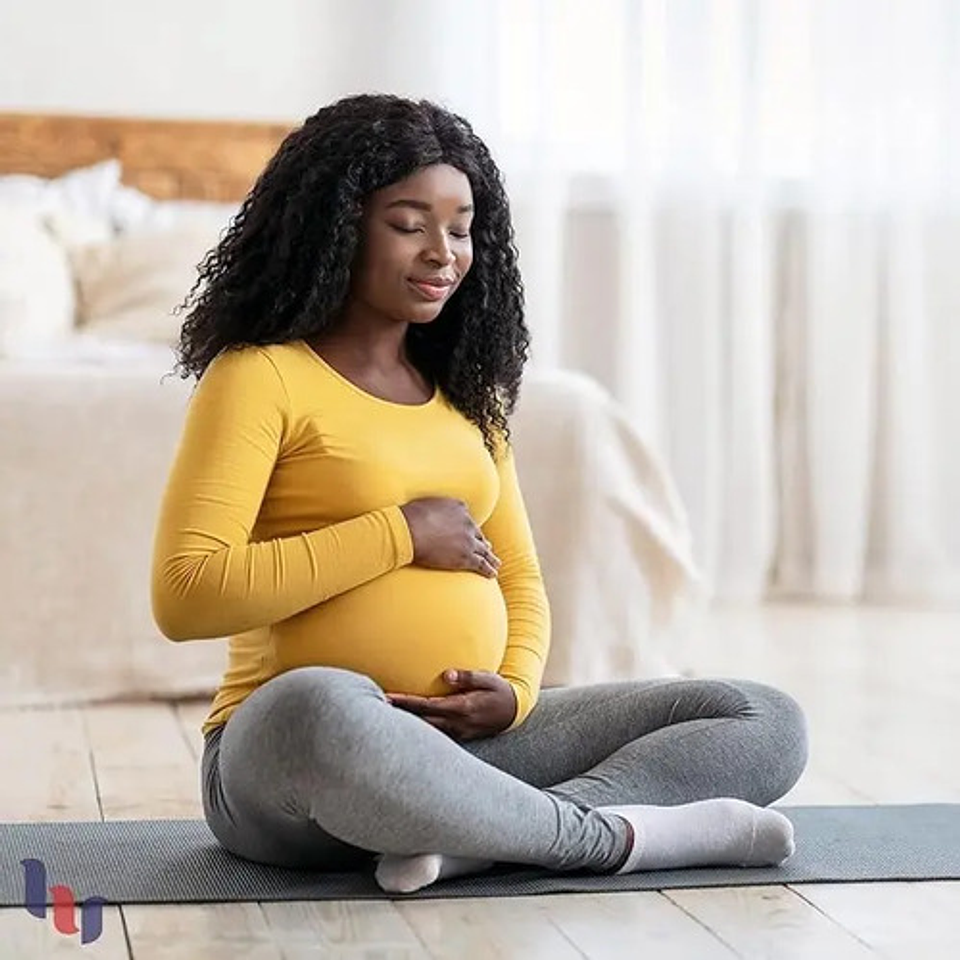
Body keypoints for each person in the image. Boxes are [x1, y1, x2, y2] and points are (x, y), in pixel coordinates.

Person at [152, 93, 808, 894]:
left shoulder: (466, 396)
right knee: (321, 706)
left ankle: (473, 839)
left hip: (472, 751)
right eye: (408, 224)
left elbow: (520, 579)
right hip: (298, 762)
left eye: (461, 229)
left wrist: (518, 692)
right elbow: (187, 594)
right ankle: (599, 838)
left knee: (761, 717)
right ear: (336, 225)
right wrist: (400, 533)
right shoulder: (260, 376)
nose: (442, 253)